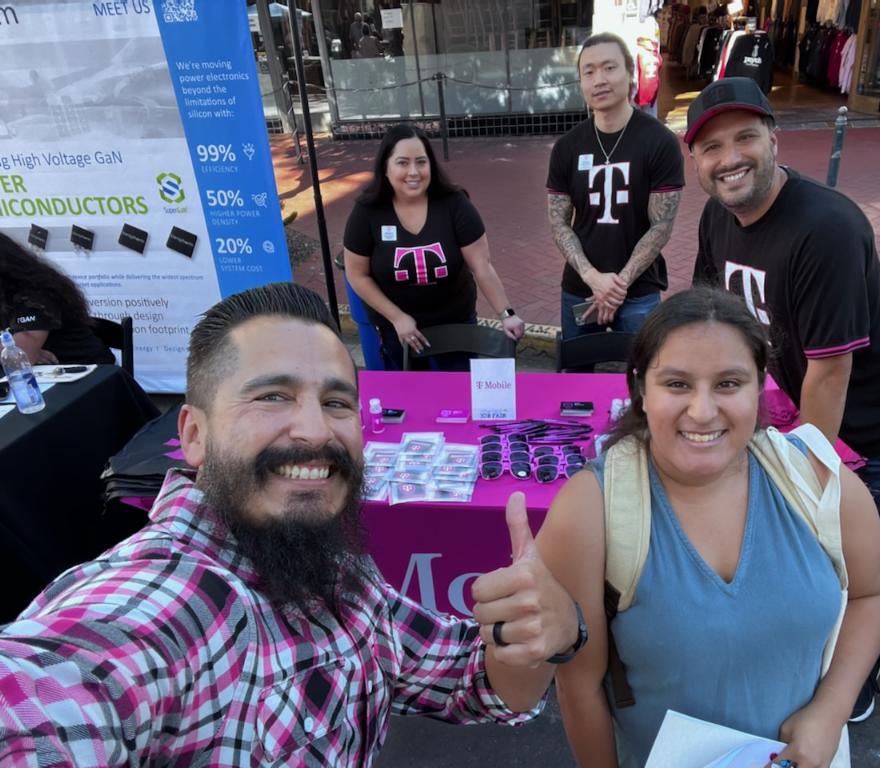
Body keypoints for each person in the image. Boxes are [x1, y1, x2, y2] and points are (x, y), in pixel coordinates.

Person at [0, 282, 586, 765]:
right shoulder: (163, 604)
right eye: (273, 396)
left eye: (336, 403)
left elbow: (467, 679)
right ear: (193, 436)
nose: (315, 430)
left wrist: (539, 639)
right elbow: (51, 692)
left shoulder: (335, 568)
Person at [538, 287, 880, 768]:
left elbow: (869, 598)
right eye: (677, 384)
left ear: (759, 383)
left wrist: (830, 712)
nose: (702, 411)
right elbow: (579, 687)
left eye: (728, 383)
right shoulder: (590, 509)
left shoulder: (819, 481)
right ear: (641, 387)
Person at [687, 76, 880, 720]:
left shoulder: (826, 227)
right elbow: (711, 313)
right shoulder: (719, 216)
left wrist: (806, 483)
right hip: (806, 398)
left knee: (857, 551)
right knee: (813, 543)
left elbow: (832, 374)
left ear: (774, 138)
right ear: (697, 161)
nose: (729, 158)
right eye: (711, 147)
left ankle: (860, 677)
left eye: (745, 137)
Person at [344, 124, 525, 370]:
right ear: (385, 167)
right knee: (412, 400)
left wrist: (506, 314)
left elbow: (481, 266)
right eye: (402, 163)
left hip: (455, 323)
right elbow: (357, 274)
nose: (413, 172)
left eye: (421, 161)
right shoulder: (367, 211)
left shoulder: (455, 204)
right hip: (399, 329)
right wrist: (397, 318)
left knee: (460, 396)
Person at [546, 32, 684, 346]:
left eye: (609, 68)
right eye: (589, 72)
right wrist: (593, 278)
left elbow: (661, 225)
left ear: (630, 74)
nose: (599, 80)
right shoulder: (567, 148)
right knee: (575, 381)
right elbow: (558, 222)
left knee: (645, 380)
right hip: (580, 286)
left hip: (638, 293)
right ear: (581, 83)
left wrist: (616, 286)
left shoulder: (659, 142)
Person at [0, 232, 114, 365]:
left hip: (90, 372)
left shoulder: (34, 295)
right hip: (49, 374)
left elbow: (22, 356)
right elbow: (19, 355)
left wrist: (22, 353)